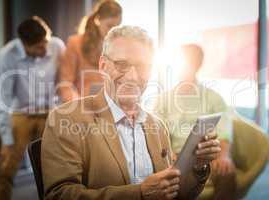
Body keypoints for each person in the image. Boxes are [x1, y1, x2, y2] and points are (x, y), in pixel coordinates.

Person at [41, 26, 221, 200]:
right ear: (103, 66)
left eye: (142, 67)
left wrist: (198, 165)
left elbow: (177, 194)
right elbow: (60, 195)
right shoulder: (65, 118)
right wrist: (140, 194)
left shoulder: (157, 126)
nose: (132, 77)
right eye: (121, 65)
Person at [0, 16, 65, 200]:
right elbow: (2, 99)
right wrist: (6, 140)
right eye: (39, 46)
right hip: (21, 114)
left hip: (49, 113)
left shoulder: (57, 46)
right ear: (24, 44)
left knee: (54, 168)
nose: (45, 49)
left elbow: (65, 82)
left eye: (46, 42)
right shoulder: (7, 55)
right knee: (6, 168)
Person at [155, 44, 236, 200]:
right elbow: (157, 134)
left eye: (188, 63)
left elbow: (225, 132)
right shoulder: (163, 99)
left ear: (197, 65)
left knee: (227, 173)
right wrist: (169, 155)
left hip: (207, 157)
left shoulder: (213, 98)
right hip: (174, 157)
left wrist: (224, 156)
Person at [58, 0, 122, 102]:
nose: (112, 31)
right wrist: (80, 105)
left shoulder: (118, 47)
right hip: (82, 107)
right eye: (109, 26)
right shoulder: (75, 43)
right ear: (98, 20)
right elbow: (66, 85)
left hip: (110, 107)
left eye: (116, 26)